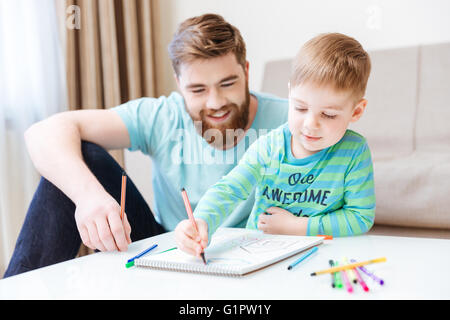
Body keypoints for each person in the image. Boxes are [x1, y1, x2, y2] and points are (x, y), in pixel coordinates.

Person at [3, 13, 288, 278]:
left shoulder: (290, 120)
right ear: (179, 84)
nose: (215, 103)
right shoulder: (161, 116)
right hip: (170, 245)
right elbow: (43, 133)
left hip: (253, 252)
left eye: (228, 83)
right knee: (80, 158)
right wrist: (88, 196)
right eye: (198, 89)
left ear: (246, 71)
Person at [175, 33, 375, 258]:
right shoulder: (270, 147)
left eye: (328, 115)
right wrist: (202, 221)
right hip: (259, 254)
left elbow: (360, 217)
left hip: (321, 256)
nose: (311, 125)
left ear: (356, 111)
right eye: (300, 108)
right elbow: (230, 189)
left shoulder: (354, 152)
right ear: (290, 93)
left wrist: (298, 227)